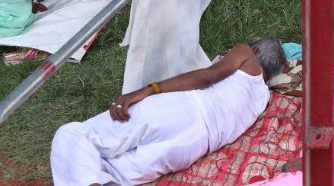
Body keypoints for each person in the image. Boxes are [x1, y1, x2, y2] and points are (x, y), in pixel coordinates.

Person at [50, 38, 286, 186]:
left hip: (178, 113)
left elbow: (206, 77)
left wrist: (149, 89)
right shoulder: (262, 99)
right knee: (110, 170)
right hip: (191, 147)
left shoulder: (247, 55)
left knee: (75, 135)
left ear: (255, 49)